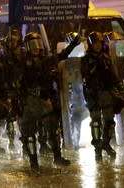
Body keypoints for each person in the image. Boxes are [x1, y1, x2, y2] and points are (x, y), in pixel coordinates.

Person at [20, 31, 79, 169]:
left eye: (38, 44)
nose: (36, 47)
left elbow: (62, 56)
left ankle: (57, 157)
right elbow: (18, 82)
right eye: (33, 44)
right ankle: (33, 162)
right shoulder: (23, 63)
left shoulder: (46, 59)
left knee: (53, 130)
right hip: (30, 101)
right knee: (29, 134)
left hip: (45, 100)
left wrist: (73, 44)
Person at [81, 31, 124, 161]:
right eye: (95, 43)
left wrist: (119, 88)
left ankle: (106, 144)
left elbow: (113, 75)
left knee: (109, 121)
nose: (98, 46)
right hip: (93, 94)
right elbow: (85, 76)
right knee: (95, 122)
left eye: (100, 43)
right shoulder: (86, 59)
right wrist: (95, 65)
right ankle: (97, 148)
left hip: (106, 93)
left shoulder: (106, 57)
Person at [0, 29, 24, 152]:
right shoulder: (3, 54)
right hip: (7, 89)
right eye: (11, 40)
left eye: (15, 40)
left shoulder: (21, 54)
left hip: (20, 89)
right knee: (9, 117)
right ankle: (10, 141)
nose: (12, 42)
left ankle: (25, 139)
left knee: (21, 116)